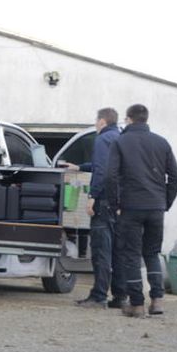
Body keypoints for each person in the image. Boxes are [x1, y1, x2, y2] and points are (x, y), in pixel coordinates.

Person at [106, 104, 177, 317]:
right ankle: (157, 301)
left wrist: (115, 205)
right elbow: (175, 177)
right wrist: (165, 202)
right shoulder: (162, 142)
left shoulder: (120, 142)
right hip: (156, 207)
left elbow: (110, 176)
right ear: (146, 119)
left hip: (130, 207)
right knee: (152, 253)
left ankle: (136, 304)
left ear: (129, 119)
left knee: (131, 255)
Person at [63, 107, 125, 309]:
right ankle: (119, 296)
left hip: (104, 202)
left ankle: (98, 296)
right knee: (117, 252)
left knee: (101, 252)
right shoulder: (121, 138)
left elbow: (102, 170)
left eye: (96, 120)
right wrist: (80, 167)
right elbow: (110, 166)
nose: (95, 123)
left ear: (102, 121)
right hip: (121, 205)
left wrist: (92, 196)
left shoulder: (102, 140)